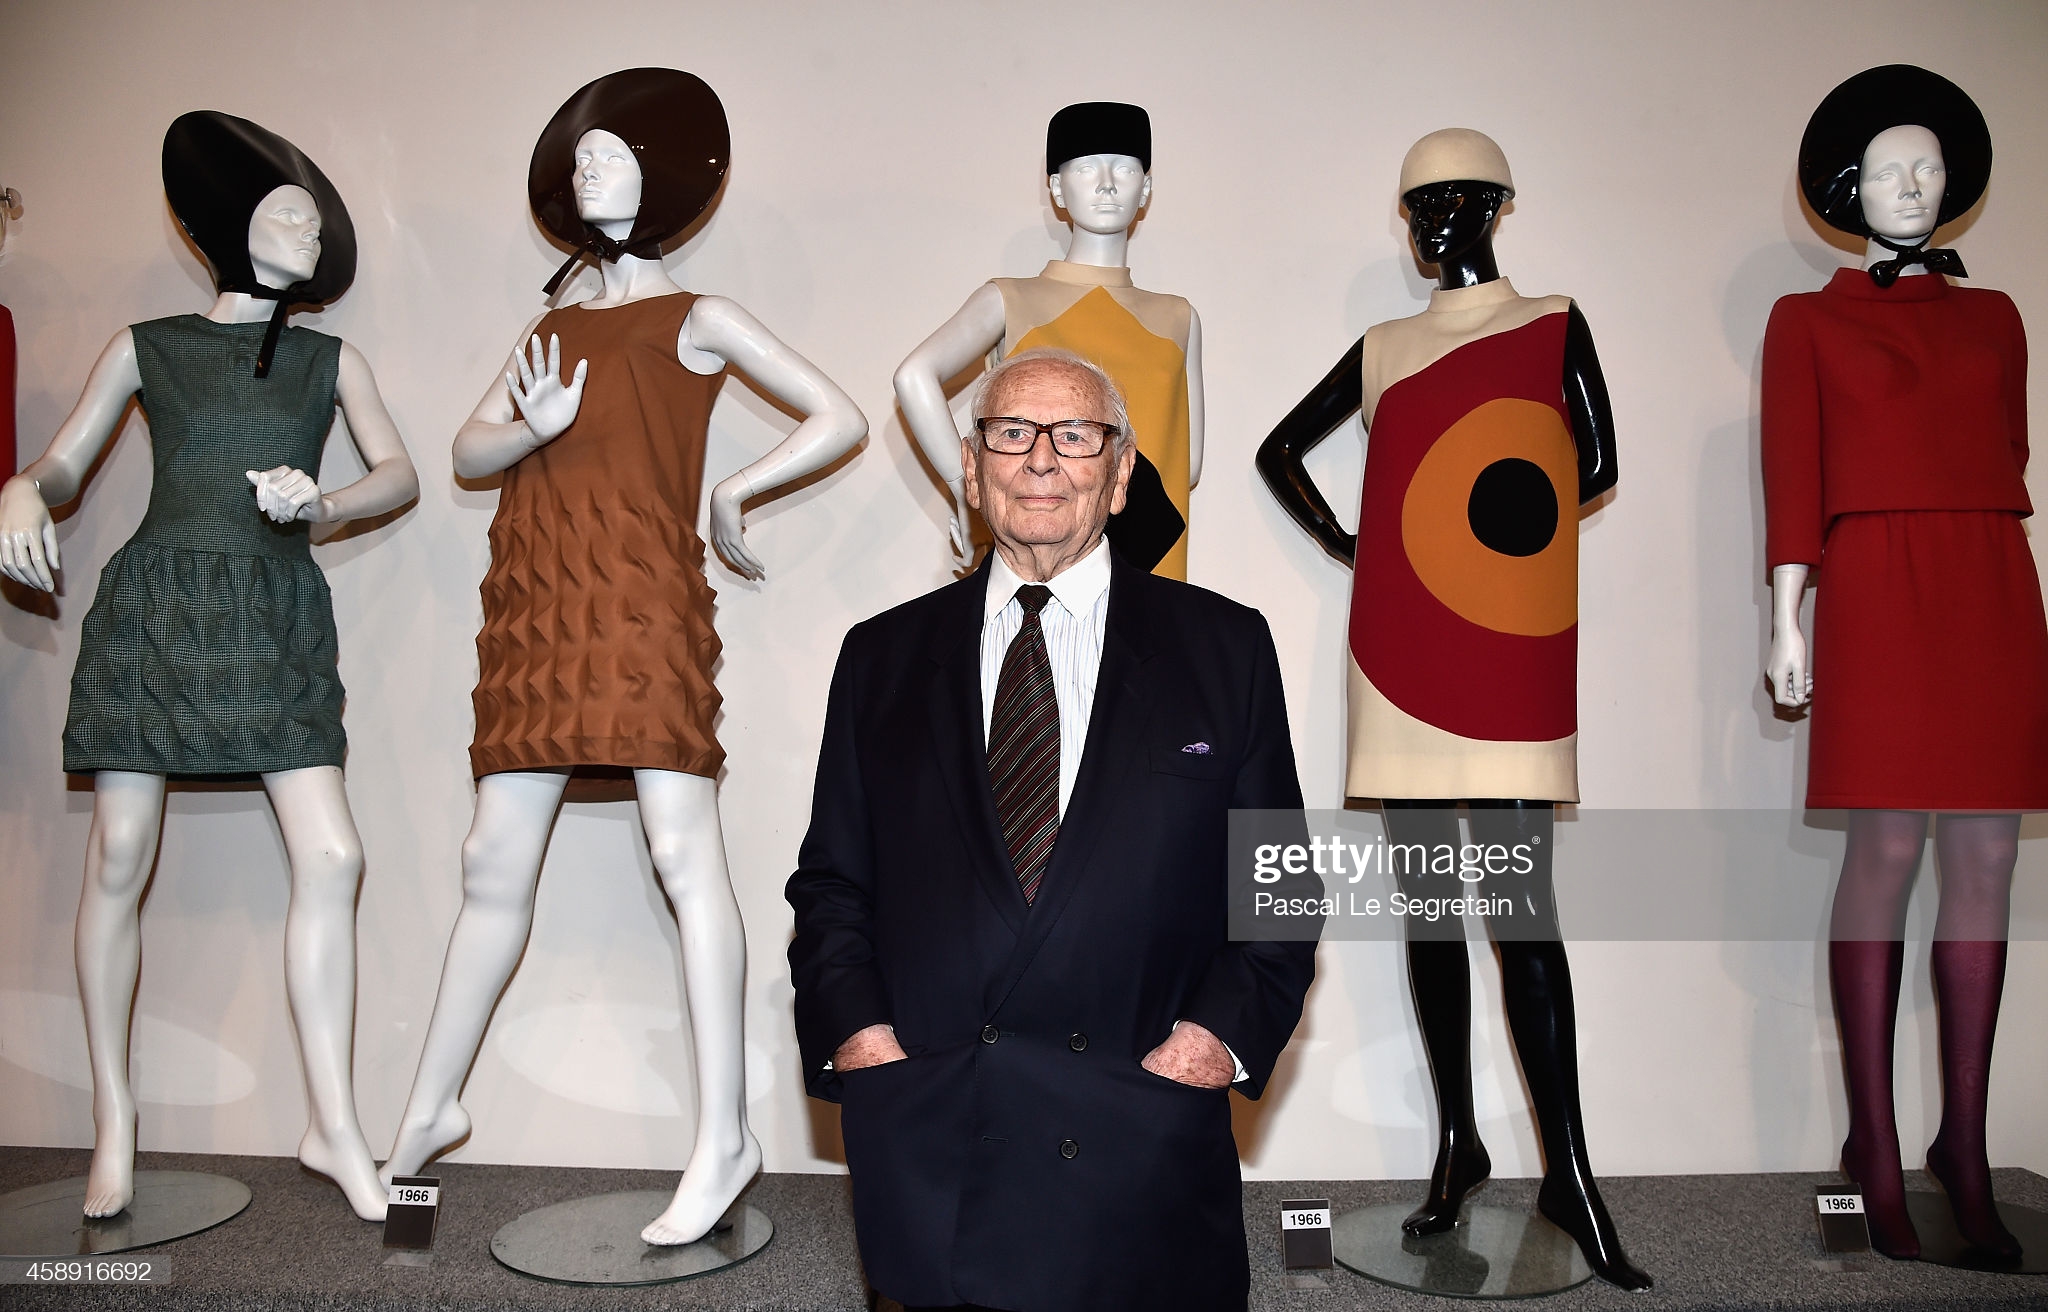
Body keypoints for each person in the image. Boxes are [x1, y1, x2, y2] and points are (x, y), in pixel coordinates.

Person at [378, 67, 869, 1248]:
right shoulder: (547, 327)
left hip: (637, 600)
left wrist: (738, 489)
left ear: (658, 180)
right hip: (540, 605)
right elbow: (464, 447)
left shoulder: (696, 316)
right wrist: (530, 427)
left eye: (613, 158)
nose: (594, 172)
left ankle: (725, 1134)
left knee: (681, 852)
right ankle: (434, 1100)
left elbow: (837, 413)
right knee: (492, 855)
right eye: (581, 160)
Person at [788, 348, 1314, 1311]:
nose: (1040, 458)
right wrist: (861, 1041)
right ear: (971, 467)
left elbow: (1277, 887)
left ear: (1118, 478)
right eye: (1009, 432)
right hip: (943, 1139)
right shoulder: (881, 657)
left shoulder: (1225, 648)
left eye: (1075, 435)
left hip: (1140, 1133)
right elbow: (832, 886)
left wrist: (1210, 1045)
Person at [0, 111, 419, 1221]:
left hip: (274, 610)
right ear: (227, 226)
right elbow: (63, 463)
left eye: (313, 215)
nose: (306, 224)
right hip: (159, 608)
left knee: (333, 853)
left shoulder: (335, 358)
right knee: (118, 855)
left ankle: (333, 1125)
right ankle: (116, 1127)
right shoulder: (150, 344)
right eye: (285, 208)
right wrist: (15, 488)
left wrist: (321, 502)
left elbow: (399, 473)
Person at [1255, 129, 1647, 1290]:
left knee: (1519, 914)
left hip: (1506, 652)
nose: (1430, 224)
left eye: (1454, 203)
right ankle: (1455, 1144)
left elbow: (1596, 462)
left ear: (1496, 208)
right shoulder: (1382, 346)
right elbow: (1282, 448)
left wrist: (1494, 534)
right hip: (1403, 651)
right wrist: (1351, 542)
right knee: (1431, 911)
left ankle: (1567, 1169)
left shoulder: (1553, 320)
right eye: (1416, 206)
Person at [1764, 64, 2036, 1263]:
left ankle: (1960, 1149)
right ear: (1844, 186)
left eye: (1926, 165)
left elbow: (2007, 460)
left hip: (1986, 582)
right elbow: (1792, 483)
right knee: (1881, 847)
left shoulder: (1998, 317)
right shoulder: (1806, 319)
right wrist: (1785, 618)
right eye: (1885, 167)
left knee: (1983, 859)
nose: (1910, 183)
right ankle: (1871, 1139)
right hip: (1869, 583)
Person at [894, 102, 1202, 578]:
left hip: (1153, 545)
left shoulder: (1178, 315)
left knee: (1142, 644)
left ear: (1147, 189)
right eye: (1085, 169)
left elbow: (1190, 462)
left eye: (1125, 168)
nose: (1106, 184)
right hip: (1035, 528)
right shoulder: (1010, 300)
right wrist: (965, 481)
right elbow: (913, 376)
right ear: (1057, 188)